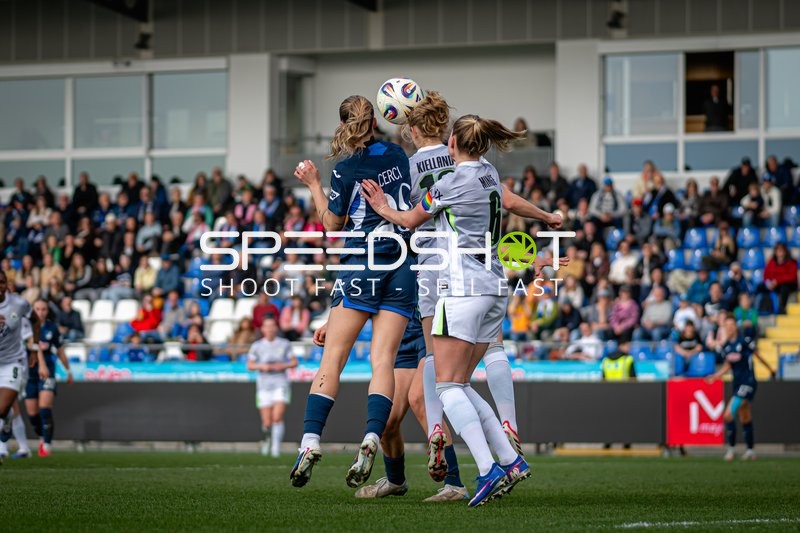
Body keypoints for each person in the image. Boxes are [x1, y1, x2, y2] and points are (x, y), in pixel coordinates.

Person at [361, 114, 531, 507]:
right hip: (494, 285)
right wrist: (547, 216)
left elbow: (409, 219)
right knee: (467, 380)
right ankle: (509, 459)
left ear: (454, 142)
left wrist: (383, 206)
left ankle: (488, 470)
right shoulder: (488, 173)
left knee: (447, 385)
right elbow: (508, 199)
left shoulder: (451, 183)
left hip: (458, 289)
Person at [290, 95, 417, 489]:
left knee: (334, 358)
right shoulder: (397, 156)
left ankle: (310, 442)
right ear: (376, 119)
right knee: (383, 360)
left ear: (343, 123)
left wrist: (313, 185)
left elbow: (331, 222)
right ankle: (370, 437)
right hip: (401, 265)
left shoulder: (345, 170)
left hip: (362, 265)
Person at [707, 316, 775, 461]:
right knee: (745, 416)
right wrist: (716, 376)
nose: (729, 328)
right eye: (727, 325)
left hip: (748, 382)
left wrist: (770, 368)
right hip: (737, 383)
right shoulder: (726, 346)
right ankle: (751, 451)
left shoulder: (744, 341)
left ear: (736, 327)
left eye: (732, 325)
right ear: (724, 328)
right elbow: (728, 365)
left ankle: (731, 450)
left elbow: (757, 355)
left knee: (728, 414)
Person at [0, 271, 41, 464]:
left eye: (1, 282)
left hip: (12, 362)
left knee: (3, 406)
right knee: (4, 410)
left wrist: (34, 348)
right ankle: (6, 424)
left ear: (6, 284)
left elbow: (35, 321)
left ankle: (11, 442)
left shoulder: (18, 303)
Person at [25, 299, 73, 457]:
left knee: (45, 409)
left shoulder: (52, 328)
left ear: (47, 311)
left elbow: (60, 350)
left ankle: (47, 445)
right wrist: (40, 365)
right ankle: (41, 436)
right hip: (30, 373)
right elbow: (34, 345)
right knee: (32, 415)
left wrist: (68, 370)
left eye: (43, 309)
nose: (40, 312)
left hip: (48, 373)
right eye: (37, 309)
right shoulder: (26, 327)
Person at [246, 317, 298, 457]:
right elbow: (250, 365)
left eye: (272, 326)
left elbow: (294, 362)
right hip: (264, 385)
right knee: (267, 422)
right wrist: (262, 366)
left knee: (277, 417)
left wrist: (282, 366)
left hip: (280, 382)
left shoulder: (284, 344)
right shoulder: (257, 346)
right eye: (266, 326)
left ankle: (276, 448)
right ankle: (267, 439)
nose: (269, 329)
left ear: (276, 328)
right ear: (262, 329)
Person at [761, 243, 799, 314]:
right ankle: (762, 308)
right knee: (760, 287)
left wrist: (777, 281)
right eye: (778, 251)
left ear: (785, 252)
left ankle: (782, 308)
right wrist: (768, 282)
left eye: (781, 251)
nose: (779, 253)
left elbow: (791, 277)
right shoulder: (772, 262)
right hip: (774, 284)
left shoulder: (791, 262)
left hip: (788, 285)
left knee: (784, 288)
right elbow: (766, 274)